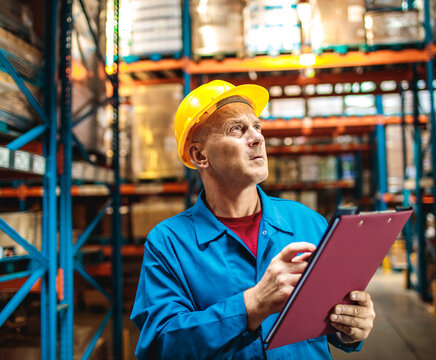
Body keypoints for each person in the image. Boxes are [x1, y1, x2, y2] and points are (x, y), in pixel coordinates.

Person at [131, 80, 376, 359]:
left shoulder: (308, 223)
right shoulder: (169, 242)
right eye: (236, 129)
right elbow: (160, 345)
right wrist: (251, 305)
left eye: (257, 127)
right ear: (200, 155)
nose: (257, 137)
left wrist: (349, 326)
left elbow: (331, 315)